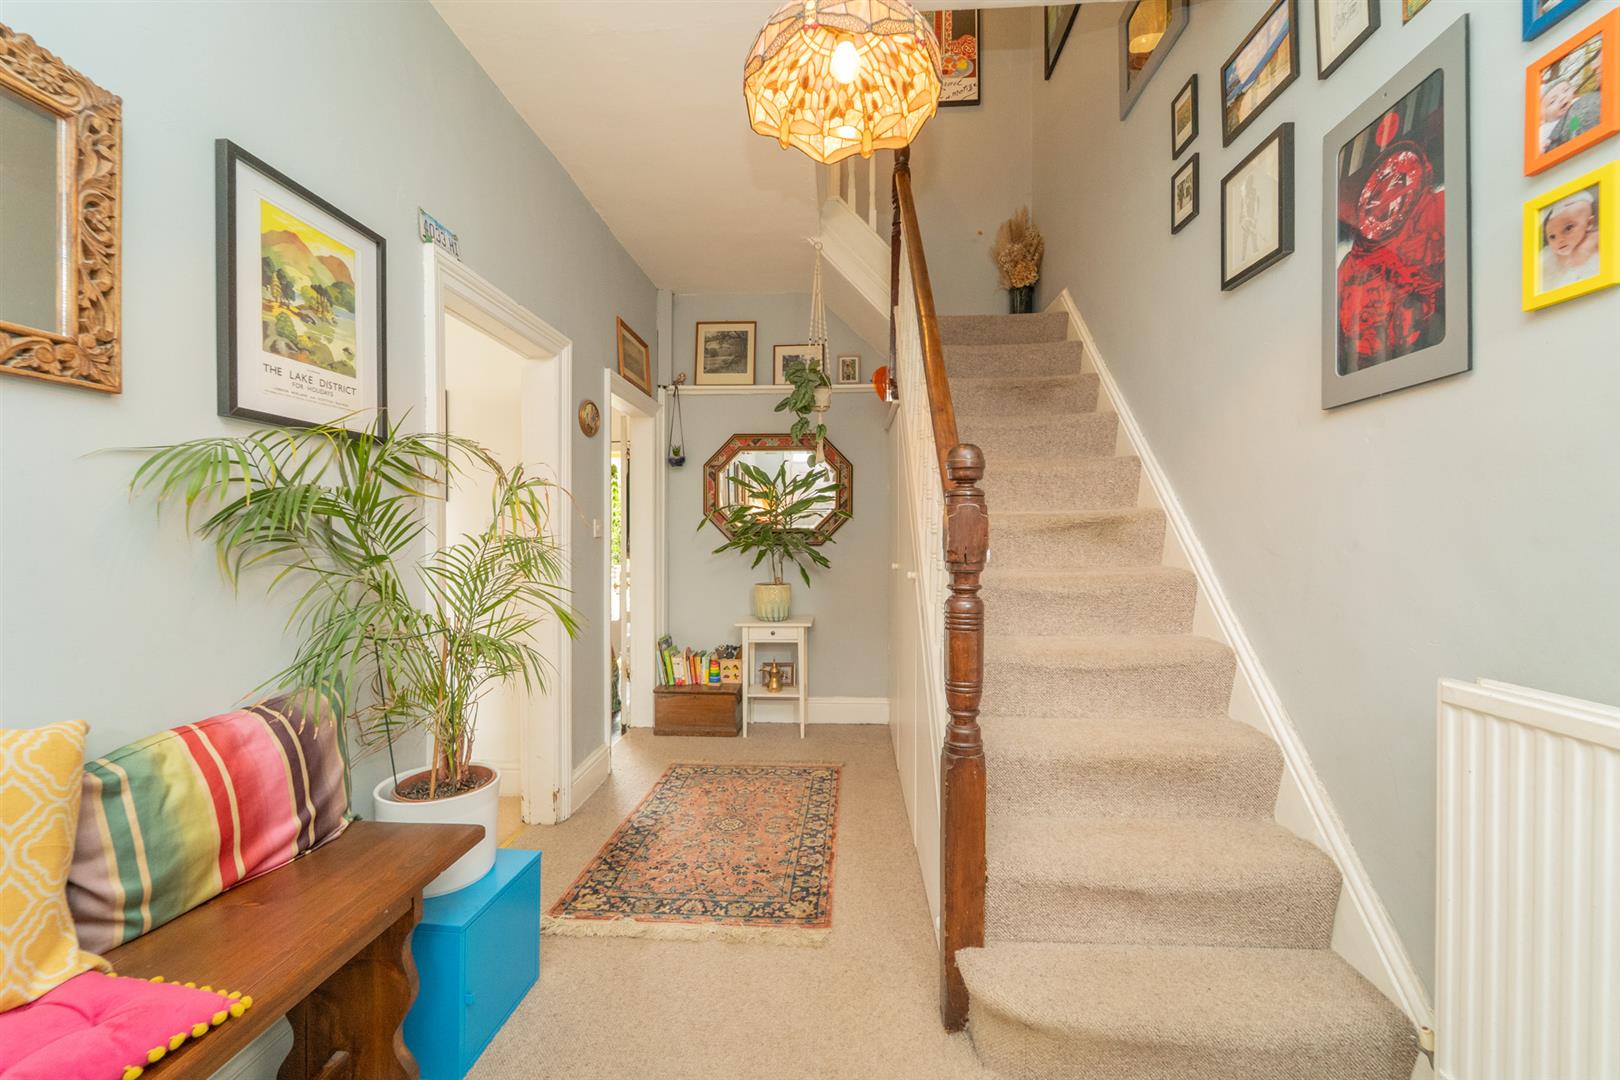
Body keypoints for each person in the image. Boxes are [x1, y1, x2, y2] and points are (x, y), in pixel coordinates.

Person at [1540, 188, 1601, 291]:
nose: (1560, 240)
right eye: (1552, 236)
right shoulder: (1550, 255)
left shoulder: (1594, 238)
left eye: (1568, 228)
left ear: (1589, 223)